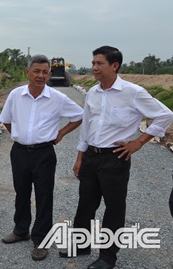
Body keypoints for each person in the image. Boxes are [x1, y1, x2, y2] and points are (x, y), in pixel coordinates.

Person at [60, 46, 173, 269]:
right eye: (93, 63)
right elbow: (86, 128)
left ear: (115, 65)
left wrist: (138, 142)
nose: (94, 68)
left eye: (99, 63)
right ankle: (81, 245)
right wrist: (80, 157)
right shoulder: (93, 92)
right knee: (85, 204)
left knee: (114, 208)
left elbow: (165, 115)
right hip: (91, 156)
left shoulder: (133, 92)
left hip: (115, 158)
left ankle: (108, 257)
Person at [0, 54, 84, 261]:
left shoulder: (57, 98)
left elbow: (80, 115)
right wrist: (18, 135)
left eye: (45, 72)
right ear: (27, 72)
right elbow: (6, 120)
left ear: (50, 74)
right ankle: (21, 230)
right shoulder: (16, 95)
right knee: (21, 193)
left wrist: (61, 133)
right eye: (36, 71)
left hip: (44, 154)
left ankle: (42, 240)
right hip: (19, 153)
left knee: (44, 197)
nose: (41, 75)